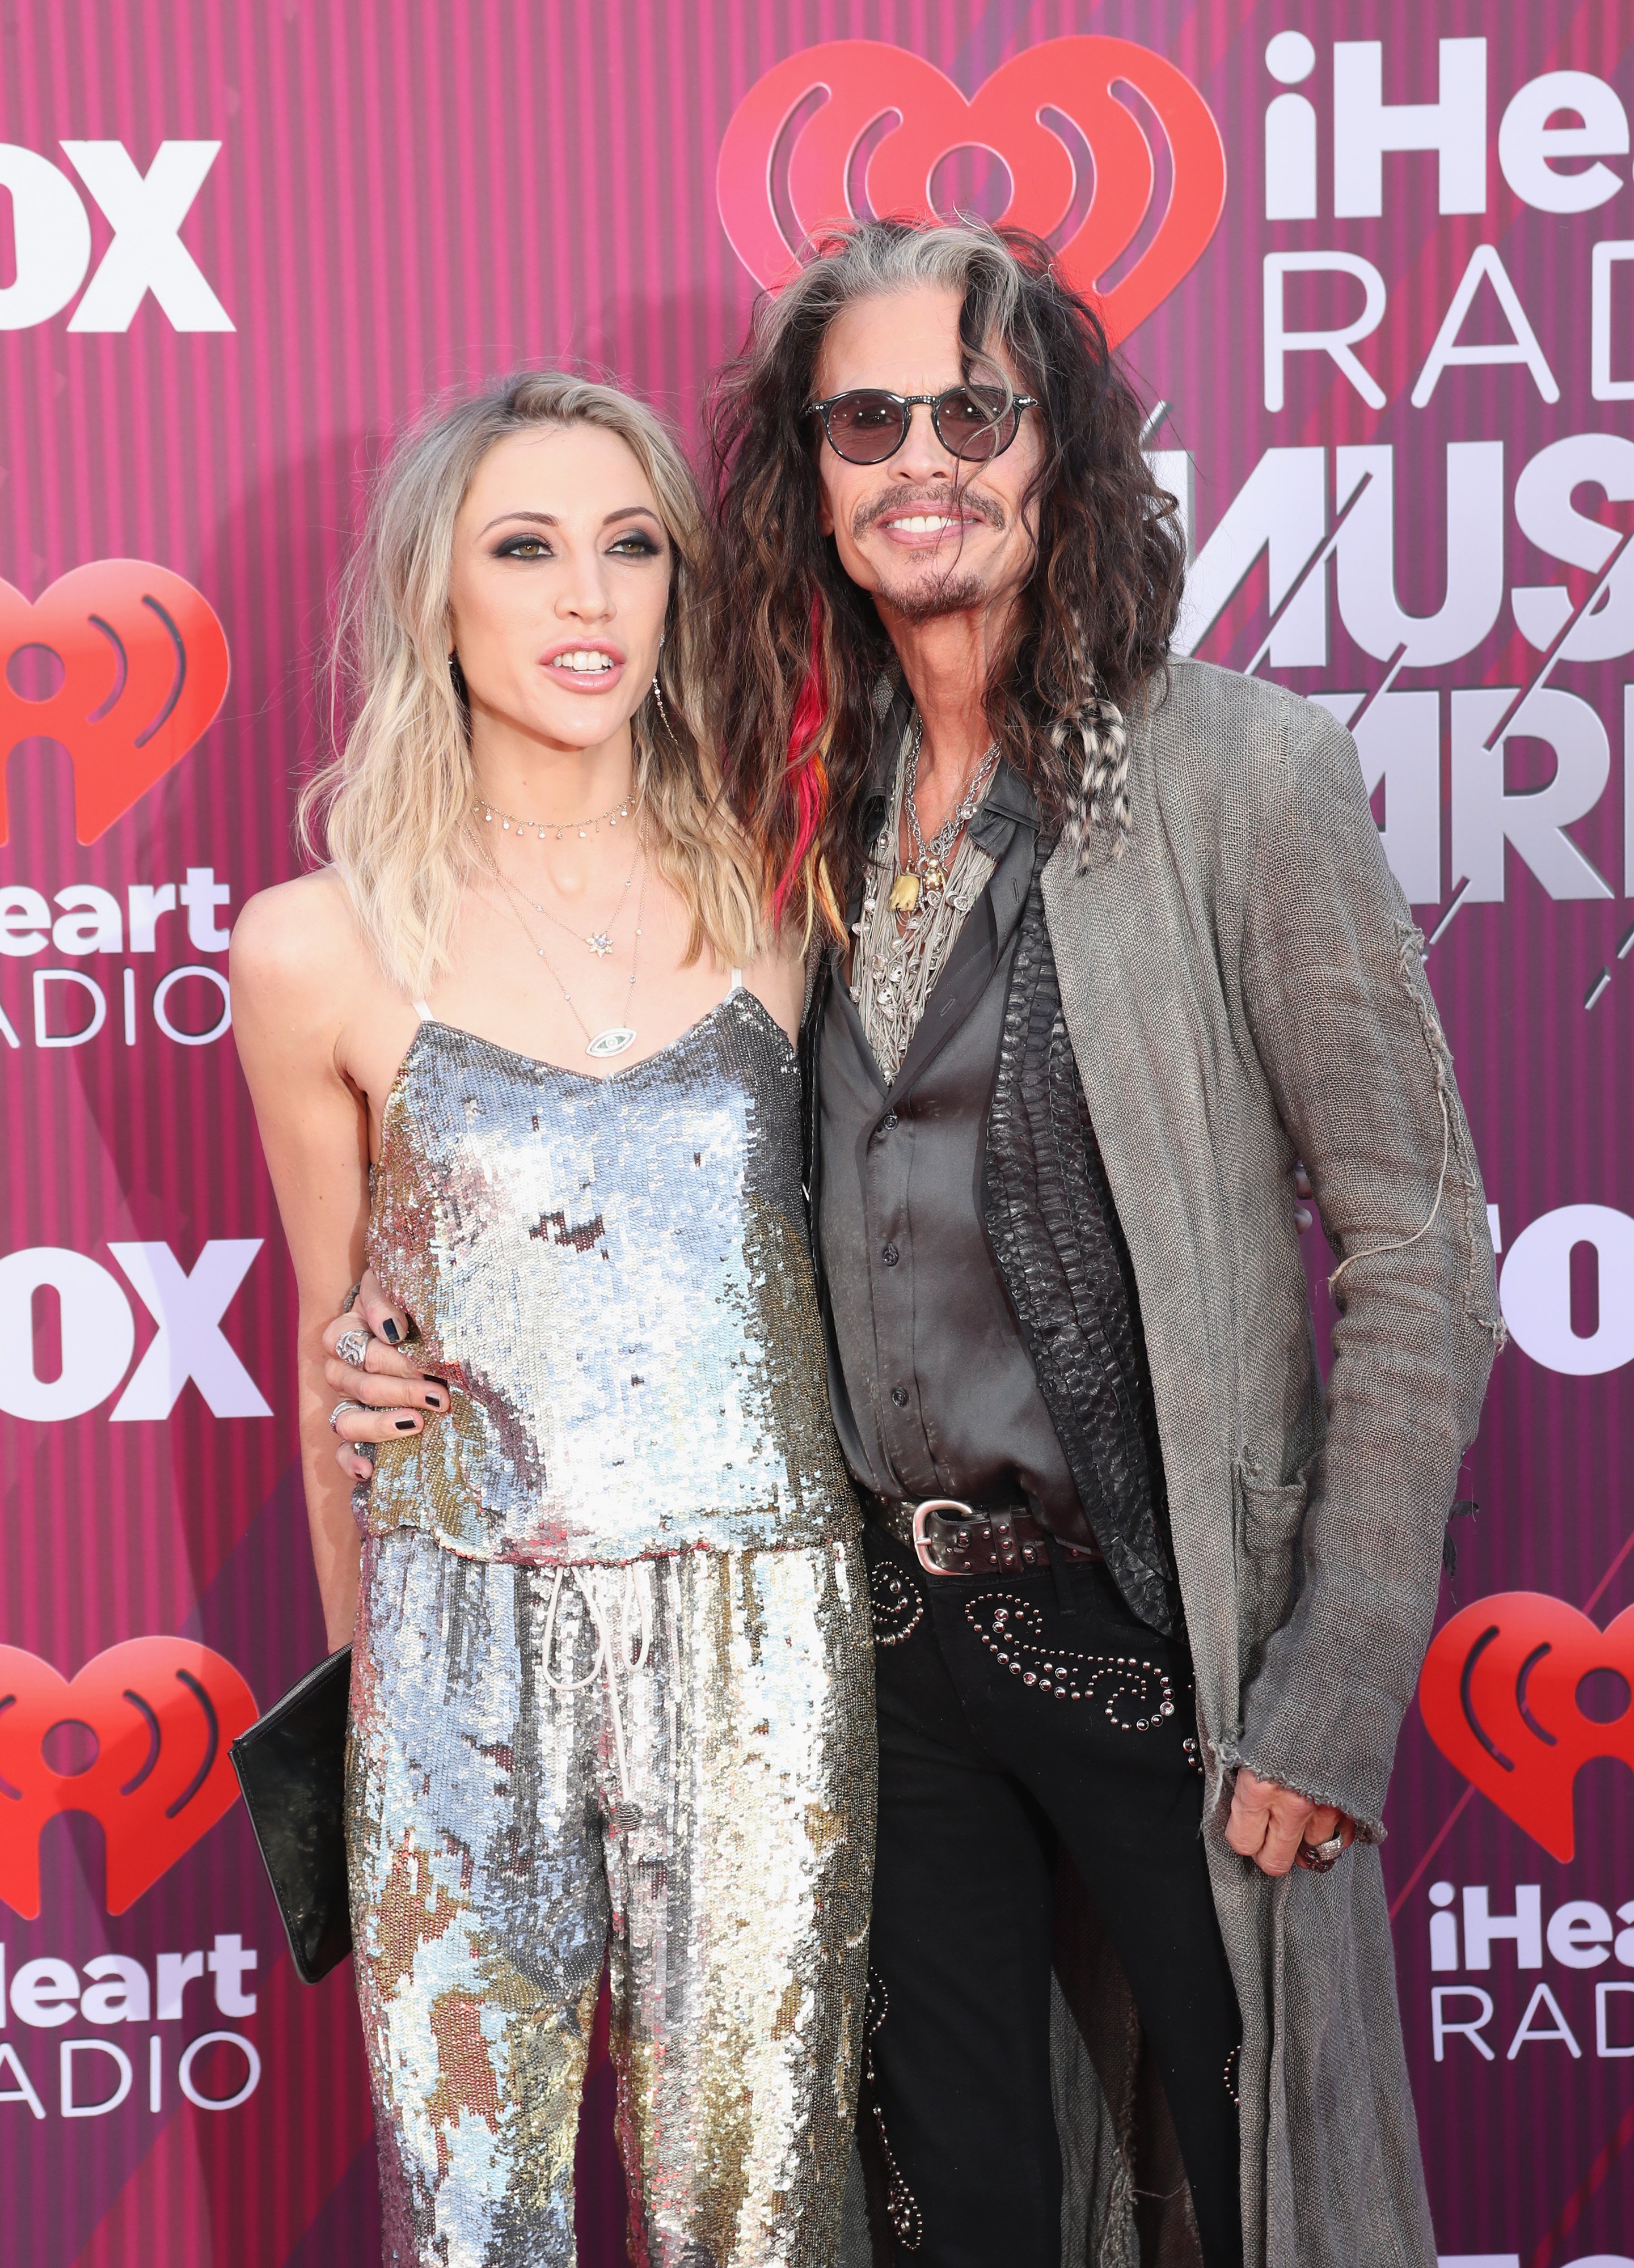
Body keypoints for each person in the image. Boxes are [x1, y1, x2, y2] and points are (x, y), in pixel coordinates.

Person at [332, 225, 1500, 2267]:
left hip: (1176, 1647)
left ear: (1062, 448)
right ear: (809, 469)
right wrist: (405, 1311)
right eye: (867, 418)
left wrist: (1333, 1686)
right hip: (878, 1665)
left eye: (976, 409)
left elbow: (1420, 1243)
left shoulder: (1239, 774)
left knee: (1256, 2197)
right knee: (954, 2206)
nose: (921, 459)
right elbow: (607, 1144)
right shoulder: (789, 806)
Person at [230, 371, 873, 2268]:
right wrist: (371, 1706)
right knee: (471, 2219)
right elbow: (334, 1345)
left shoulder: (792, 886)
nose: (586, 597)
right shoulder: (313, 943)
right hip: (449, 1643)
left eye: (631, 547)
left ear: (684, 590)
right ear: (440, 595)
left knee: (760, 2218)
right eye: (527, 549)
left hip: (767, 1630)